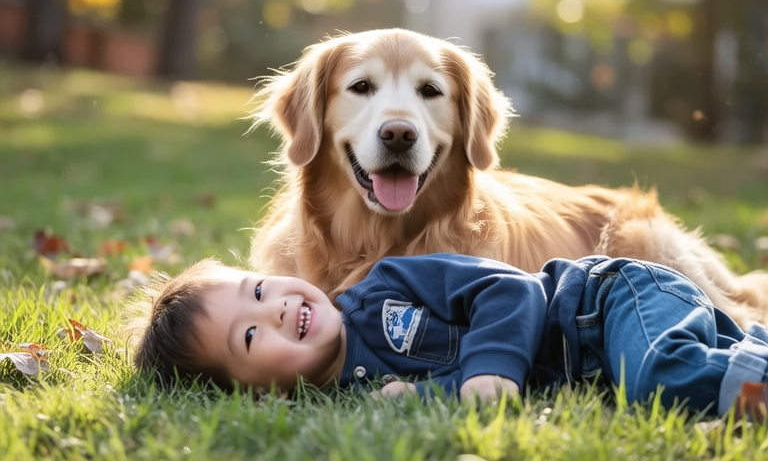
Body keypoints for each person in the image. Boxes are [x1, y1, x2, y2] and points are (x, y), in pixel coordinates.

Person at [128, 253, 768, 416]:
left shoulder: (384, 287)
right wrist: (440, 393)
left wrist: (492, 369)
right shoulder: (359, 402)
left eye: (259, 289)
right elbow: (451, 394)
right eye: (247, 337)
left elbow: (511, 290)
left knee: (661, 375)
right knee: (668, 390)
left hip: (602, 303)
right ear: (254, 395)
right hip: (602, 363)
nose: (274, 309)